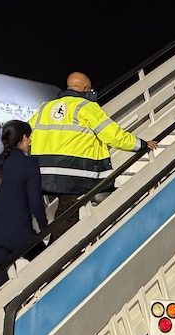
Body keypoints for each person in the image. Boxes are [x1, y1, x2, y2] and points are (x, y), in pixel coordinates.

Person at [29, 72, 156, 234]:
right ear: (87, 89)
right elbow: (113, 135)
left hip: (43, 174)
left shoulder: (44, 108)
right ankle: (62, 250)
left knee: (64, 208)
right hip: (76, 172)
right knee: (72, 211)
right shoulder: (87, 107)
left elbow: (27, 135)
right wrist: (141, 144)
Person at [0, 119, 48, 290]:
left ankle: (2, 314)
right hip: (19, 234)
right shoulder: (29, 164)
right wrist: (45, 228)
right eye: (30, 138)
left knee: (2, 286)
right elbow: (35, 202)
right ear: (24, 138)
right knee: (48, 263)